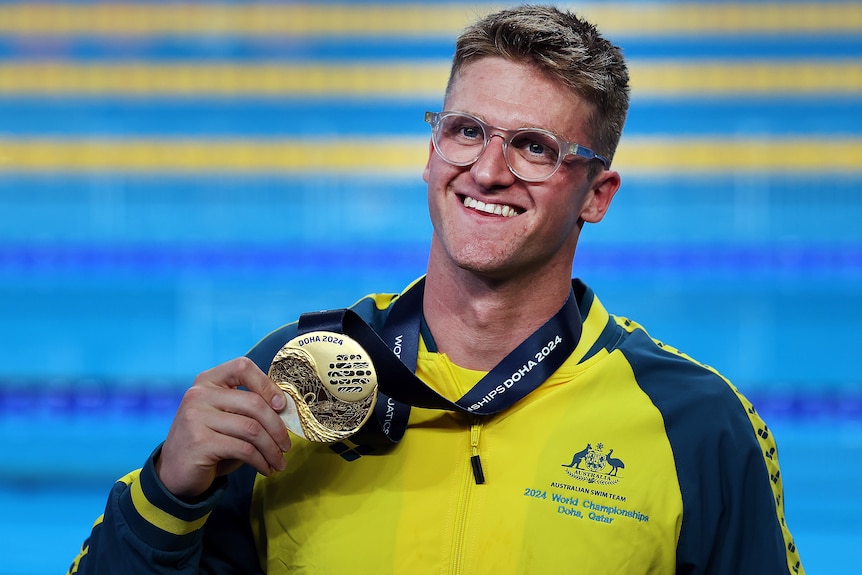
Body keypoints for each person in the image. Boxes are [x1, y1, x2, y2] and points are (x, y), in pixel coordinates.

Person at [68, 5, 804, 574]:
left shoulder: (695, 423)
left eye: (534, 147)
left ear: (596, 194)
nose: (488, 171)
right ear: (431, 151)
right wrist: (170, 490)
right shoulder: (300, 376)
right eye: (466, 131)